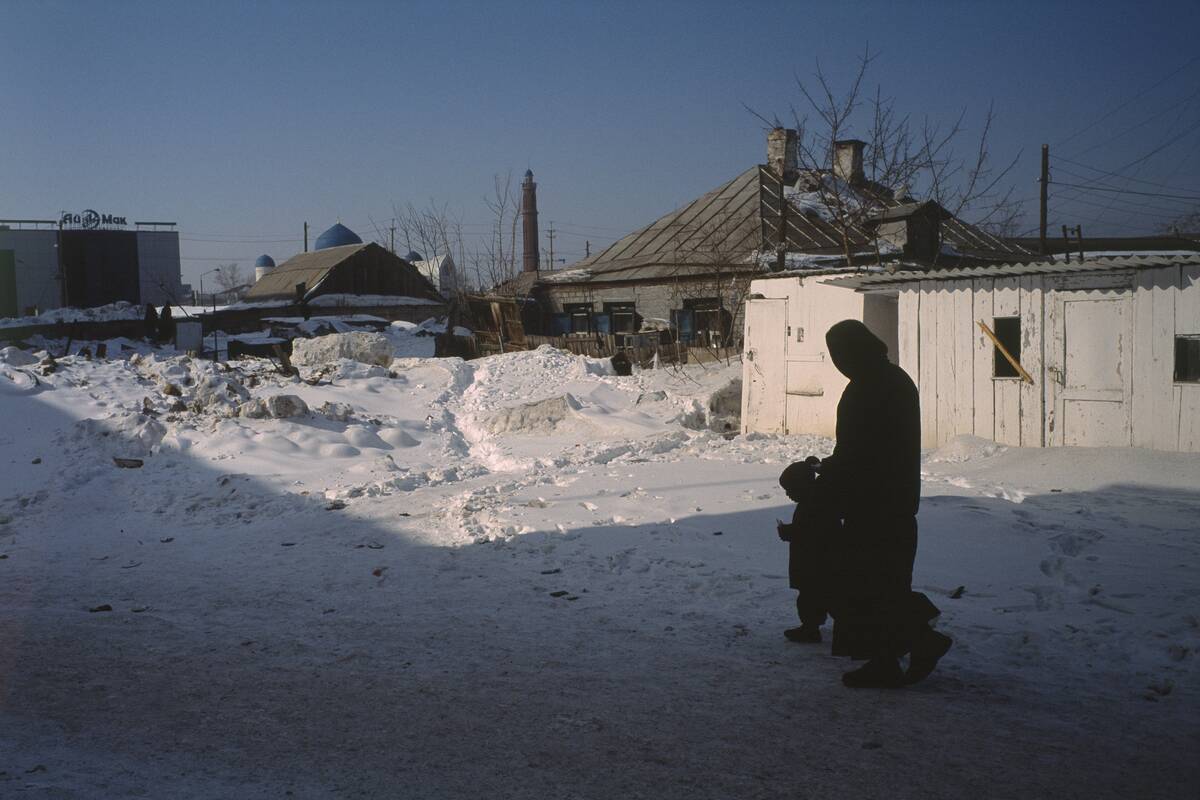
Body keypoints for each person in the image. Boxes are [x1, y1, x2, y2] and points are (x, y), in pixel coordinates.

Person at [820, 319, 951, 688]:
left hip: (872, 504)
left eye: (840, 355)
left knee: (869, 587)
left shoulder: (868, 388)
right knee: (885, 585)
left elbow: (858, 451)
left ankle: (915, 645)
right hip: (895, 500)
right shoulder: (894, 379)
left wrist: (831, 477)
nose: (839, 363)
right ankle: (892, 656)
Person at [776, 456, 835, 643]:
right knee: (821, 596)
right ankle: (812, 627)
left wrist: (787, 532)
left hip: (813, 563)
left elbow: (810, 532)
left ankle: (810, 629)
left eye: (790, 489)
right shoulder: (817, 500)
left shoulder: (813, 505)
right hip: (817, 562)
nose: (788, 494)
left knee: (811, 598)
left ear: (801, 487)